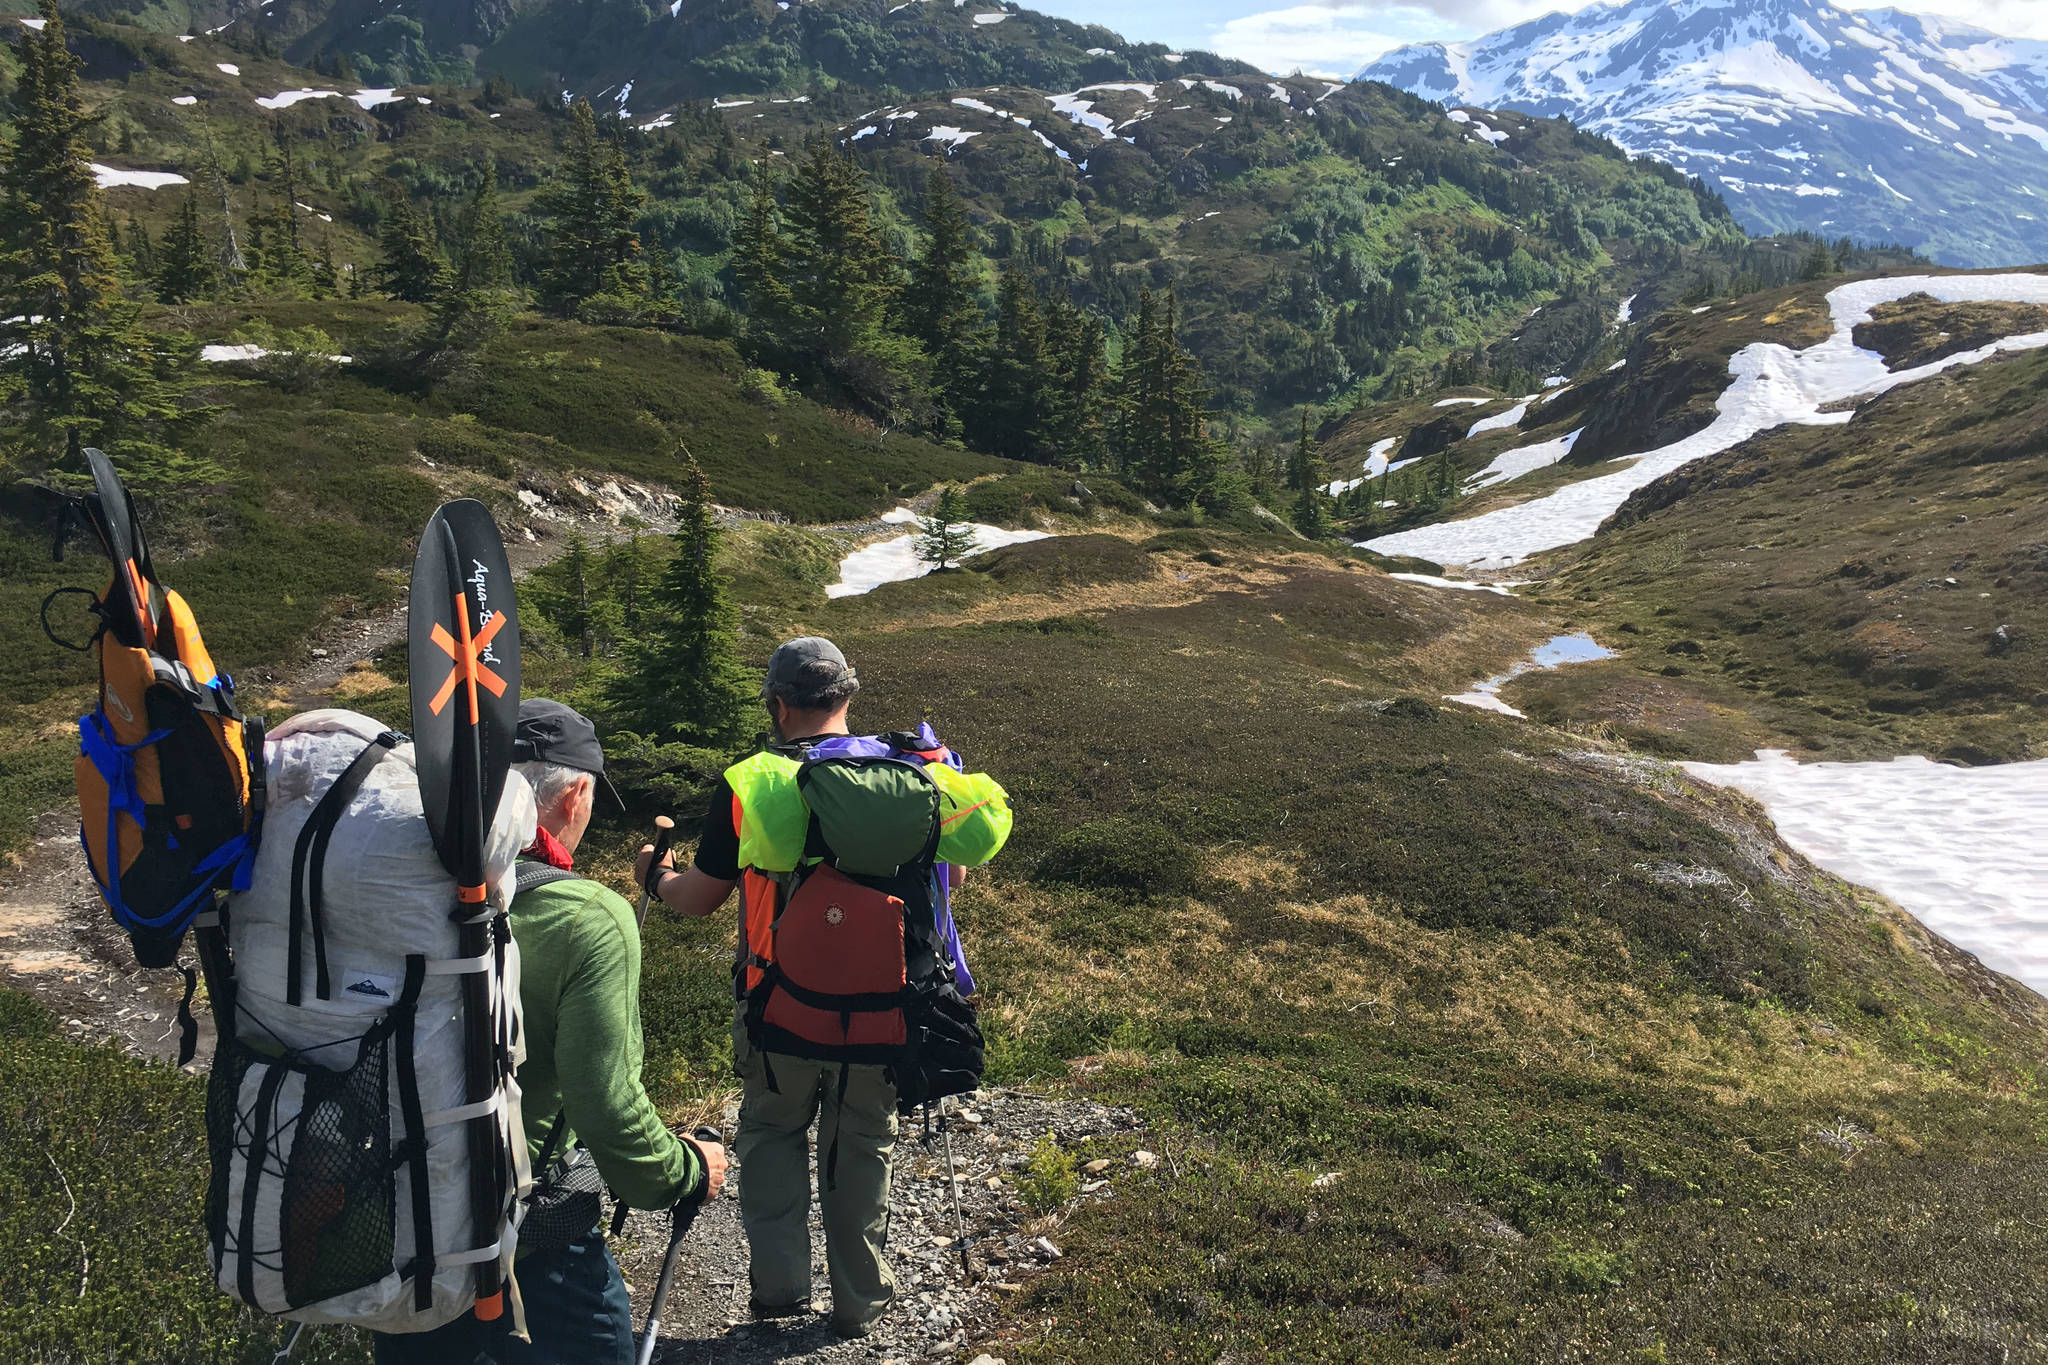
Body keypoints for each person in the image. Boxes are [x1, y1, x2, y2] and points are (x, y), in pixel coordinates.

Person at [636, 637, 1011, 1340]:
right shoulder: (912, 772)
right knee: (863, 1142)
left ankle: (779, 1296)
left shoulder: (754, 781)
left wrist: (653, 877)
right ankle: (858, 1304)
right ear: (848, 697)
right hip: (888, 1011)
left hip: (784, 1007)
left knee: (774, 1134)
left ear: (779, 705)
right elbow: (950, 876)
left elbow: (699, 897)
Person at [374, 698, 728, 1365]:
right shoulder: (588, 916)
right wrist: (685, 1171)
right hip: (531, 1248)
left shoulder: (396, 888)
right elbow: (609, 1114)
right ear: (576, 794)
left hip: (400, 1234)